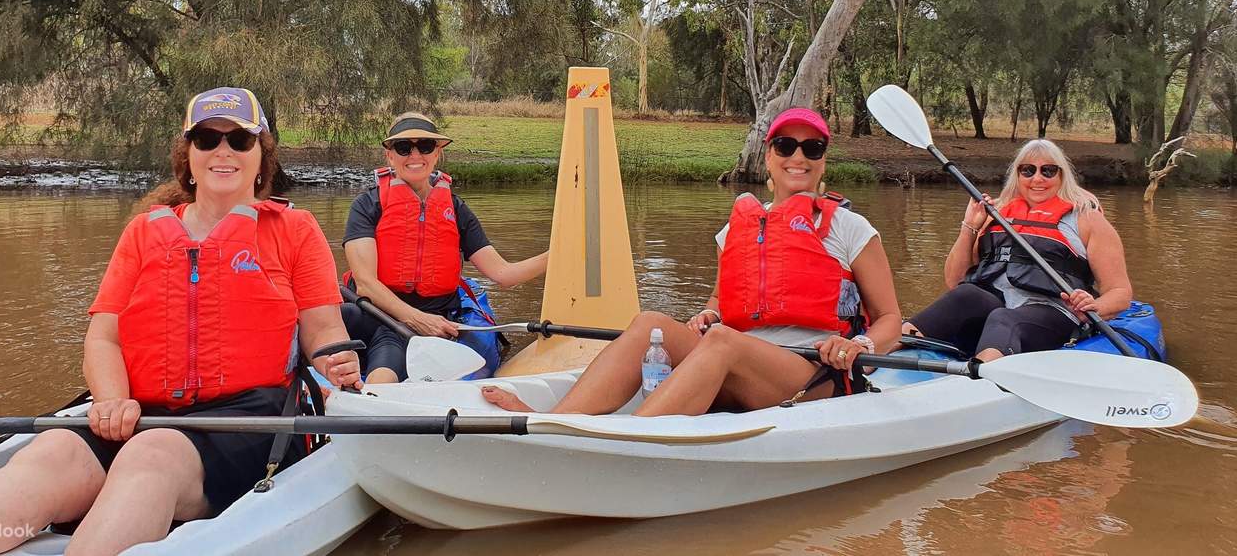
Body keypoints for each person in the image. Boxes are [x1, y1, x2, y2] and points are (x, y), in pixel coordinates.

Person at [0, 87, 363, 556]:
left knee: (152, 453)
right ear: (188, 156)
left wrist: (335, 360)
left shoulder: (295, 230)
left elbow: (323, 330)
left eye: (240, 140)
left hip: (246, 421)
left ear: (261, 158)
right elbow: (104, 337)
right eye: (207, 139)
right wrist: (111, 400)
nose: (223, 150)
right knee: (50, 453)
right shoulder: (144, 232)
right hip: (137, 412)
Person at [482, 107, 902, 416]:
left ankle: (629, 440)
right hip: (738, 364)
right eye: (785, 145)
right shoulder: (734, 230)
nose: (799, 156)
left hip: (812, 376)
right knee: (651, 325)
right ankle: (556, 423)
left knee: (721, 342)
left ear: (823, 158)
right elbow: (722, 301)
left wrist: (858, 344)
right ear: (768, 156)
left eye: (812, 147)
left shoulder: (850, 228)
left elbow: (890, 319)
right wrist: (707, 312)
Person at [342, 112, 550, 383]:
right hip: (377, 314)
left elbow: (503, 274)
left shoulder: (457, 209)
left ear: (437, 152)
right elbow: (366, 284)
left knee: (394, 363)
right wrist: (417, 319)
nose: (415, 155)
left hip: (434, 317)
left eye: (425, 146)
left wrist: (557, 254)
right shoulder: (367, 205)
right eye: (404, 148)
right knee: (384, 363)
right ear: (390, 156)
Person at [903, 138, 1132, 361]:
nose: (1037, 178)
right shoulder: (995, 215)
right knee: (965, 295)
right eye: (1028, 170)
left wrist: (1095, 306)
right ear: (1017, 174)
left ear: (1062, 175)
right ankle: (884, 353)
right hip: (994, 305)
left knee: (1004, 319)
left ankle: (984, 382)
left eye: (1048, 171)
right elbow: (955, 280)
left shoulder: (1087, 220)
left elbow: (1120, 292)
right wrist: (970, 226)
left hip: (1051, 312)